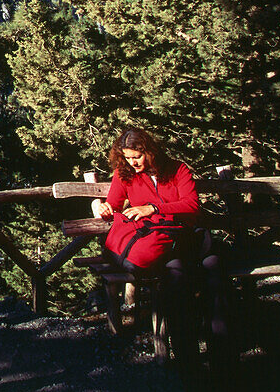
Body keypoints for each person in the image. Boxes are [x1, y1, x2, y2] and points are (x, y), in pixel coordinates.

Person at [96, 127, 230, 373]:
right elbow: (113, 206)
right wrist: (101, 207)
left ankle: (223, 355)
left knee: (215, 268)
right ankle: (188, 361)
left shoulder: (178, 169)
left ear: (150, 150)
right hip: (163, 246)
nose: (133, 162)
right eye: (127, 157)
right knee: (175, 276)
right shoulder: (124, 175)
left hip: (191, 240)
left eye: (137, 156)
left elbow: (191, 206)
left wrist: (153, 208)